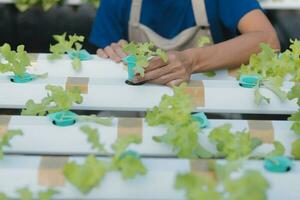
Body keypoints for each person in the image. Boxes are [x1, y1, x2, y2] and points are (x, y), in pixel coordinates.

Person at [90, 0, 280, 86]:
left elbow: (268, 40)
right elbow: (104, 61)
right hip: (141, 111)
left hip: (214, 108)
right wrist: (113, 53)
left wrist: (192, 61)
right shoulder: (116, 2)